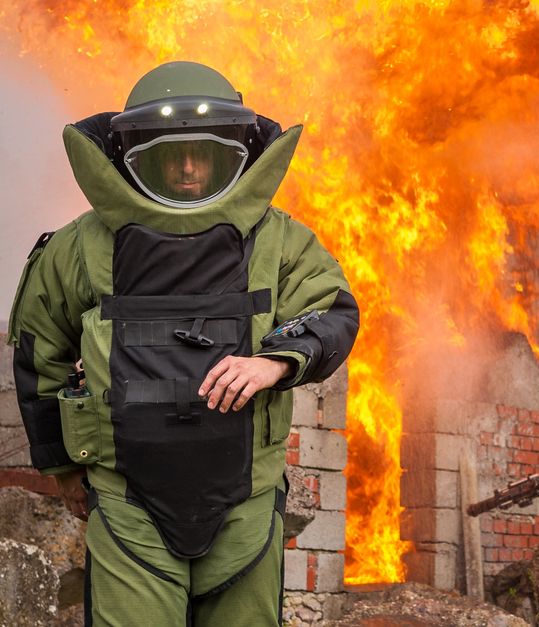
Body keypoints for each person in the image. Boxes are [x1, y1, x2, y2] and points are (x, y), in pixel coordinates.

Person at [8, 61, 359, 625]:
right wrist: (62, 468)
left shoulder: (278, 239)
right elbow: (36, 351)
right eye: (173, 156)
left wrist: (273, 363)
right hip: (127, 508)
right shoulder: (80, 248)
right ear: (131, 158)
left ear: (238, 154)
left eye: (206, 154)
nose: (191, 170)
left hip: (246, 504)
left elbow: (333, 311)